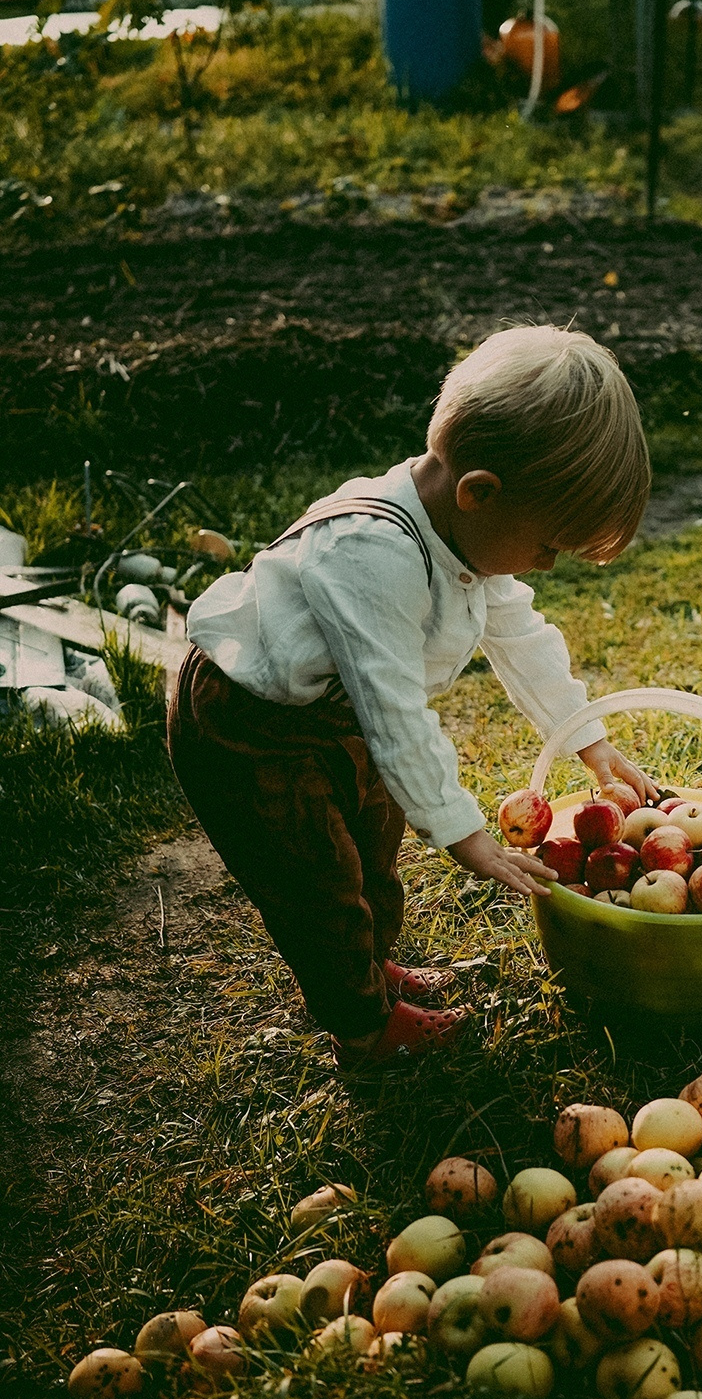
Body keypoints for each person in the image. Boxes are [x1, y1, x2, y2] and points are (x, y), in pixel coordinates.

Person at [169, 325, 655, 1070]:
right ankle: (363, 1027)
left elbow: (520, 635)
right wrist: (464, 832)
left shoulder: (465, 532)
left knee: (371, 856)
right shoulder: (372, 553)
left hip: (332, 715)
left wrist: (587, 738)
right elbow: (392, 707)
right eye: (547, 545)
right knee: (319, 883)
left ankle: (379, 972)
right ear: (480, 493)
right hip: (251, 722)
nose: (548, 566)